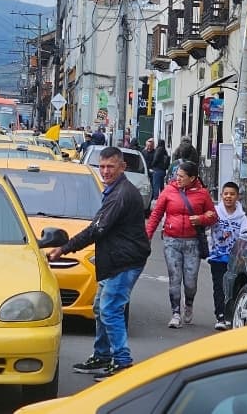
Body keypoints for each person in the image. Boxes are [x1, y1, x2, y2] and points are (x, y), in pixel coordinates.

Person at [48, 146, 149, 381]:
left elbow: (96, 229)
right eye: (102, 167)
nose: (105, 171)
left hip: (124, 262)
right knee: (99, 308)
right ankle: (102, 355)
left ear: (122, 167)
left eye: (110, 167)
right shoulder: (114, 191)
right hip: (114, 261)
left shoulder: (121, 195)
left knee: (110, 309)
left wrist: (64, 248)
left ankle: (123, 362)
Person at [146, 160, 217, 329]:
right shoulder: (169, 191)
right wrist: (147, 236)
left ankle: (189, 304)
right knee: (175, 278)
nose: (178, 179)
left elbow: (213, 216)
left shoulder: (203, 194)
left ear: (192, 178)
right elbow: (156, 214)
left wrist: (201, 219)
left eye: (182, 176)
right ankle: (175, 312)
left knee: (191, 282)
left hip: (193, 243)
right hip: (172, 240)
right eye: (177, 175)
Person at [208, 181, 247, 330]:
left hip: (234, 260)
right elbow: (207, 225)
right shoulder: (215, 212)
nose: (228, 197)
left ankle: (229, 314)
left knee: (231, 288)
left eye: (232, 194)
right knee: (218, 286)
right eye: (226, 194)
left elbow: (244, 236)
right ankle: (220, 316)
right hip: (217, 257)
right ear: (221, 195)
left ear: (237, 197)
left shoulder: (242, 217)